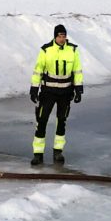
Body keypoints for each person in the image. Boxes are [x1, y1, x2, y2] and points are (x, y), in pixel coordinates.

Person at [29, 23, 84, 165]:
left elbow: (77, 71)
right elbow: (38, 70)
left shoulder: (73, 50)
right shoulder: (46, 50)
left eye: (64, 35)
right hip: (48, 92)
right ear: (55, 36)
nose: (62, 38)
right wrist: (34, 89)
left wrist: (78, 89)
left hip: (65, 92)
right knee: (42, 121)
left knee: (61, 121)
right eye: (60, 35)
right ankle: (38, 154)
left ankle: (58, 152)